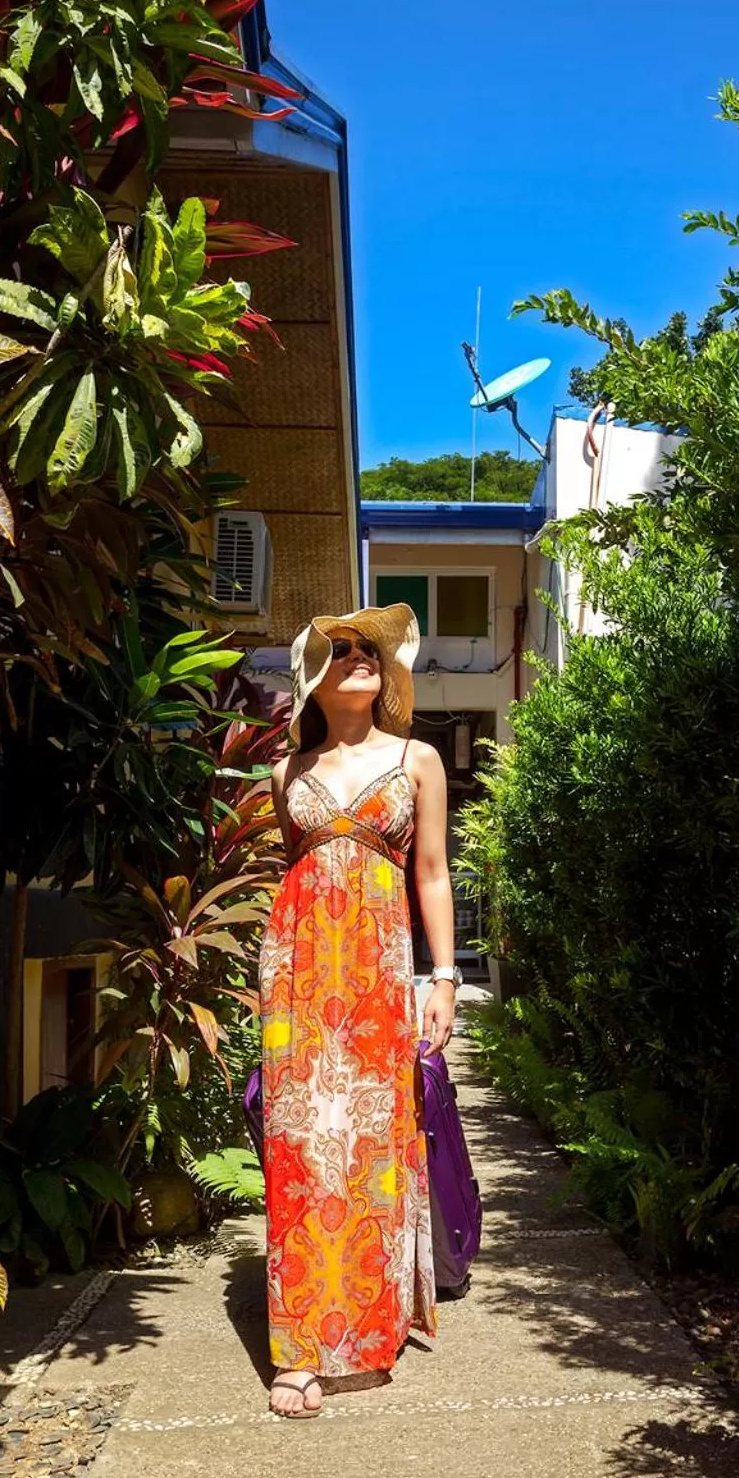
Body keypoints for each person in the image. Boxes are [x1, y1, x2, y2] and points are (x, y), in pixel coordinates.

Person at [258, 603, 460, 1418]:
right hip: (298, 977)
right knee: (301, 1148)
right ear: (316, 675)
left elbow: (432, 873)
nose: (359, 656)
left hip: (379, 974)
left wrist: (443, 979)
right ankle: (300, 1347)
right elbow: (293, 877)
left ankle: (371, 1325)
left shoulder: (418, 760)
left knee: (373, 1145)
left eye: (369, 647)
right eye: (340, 649)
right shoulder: (286, 774)